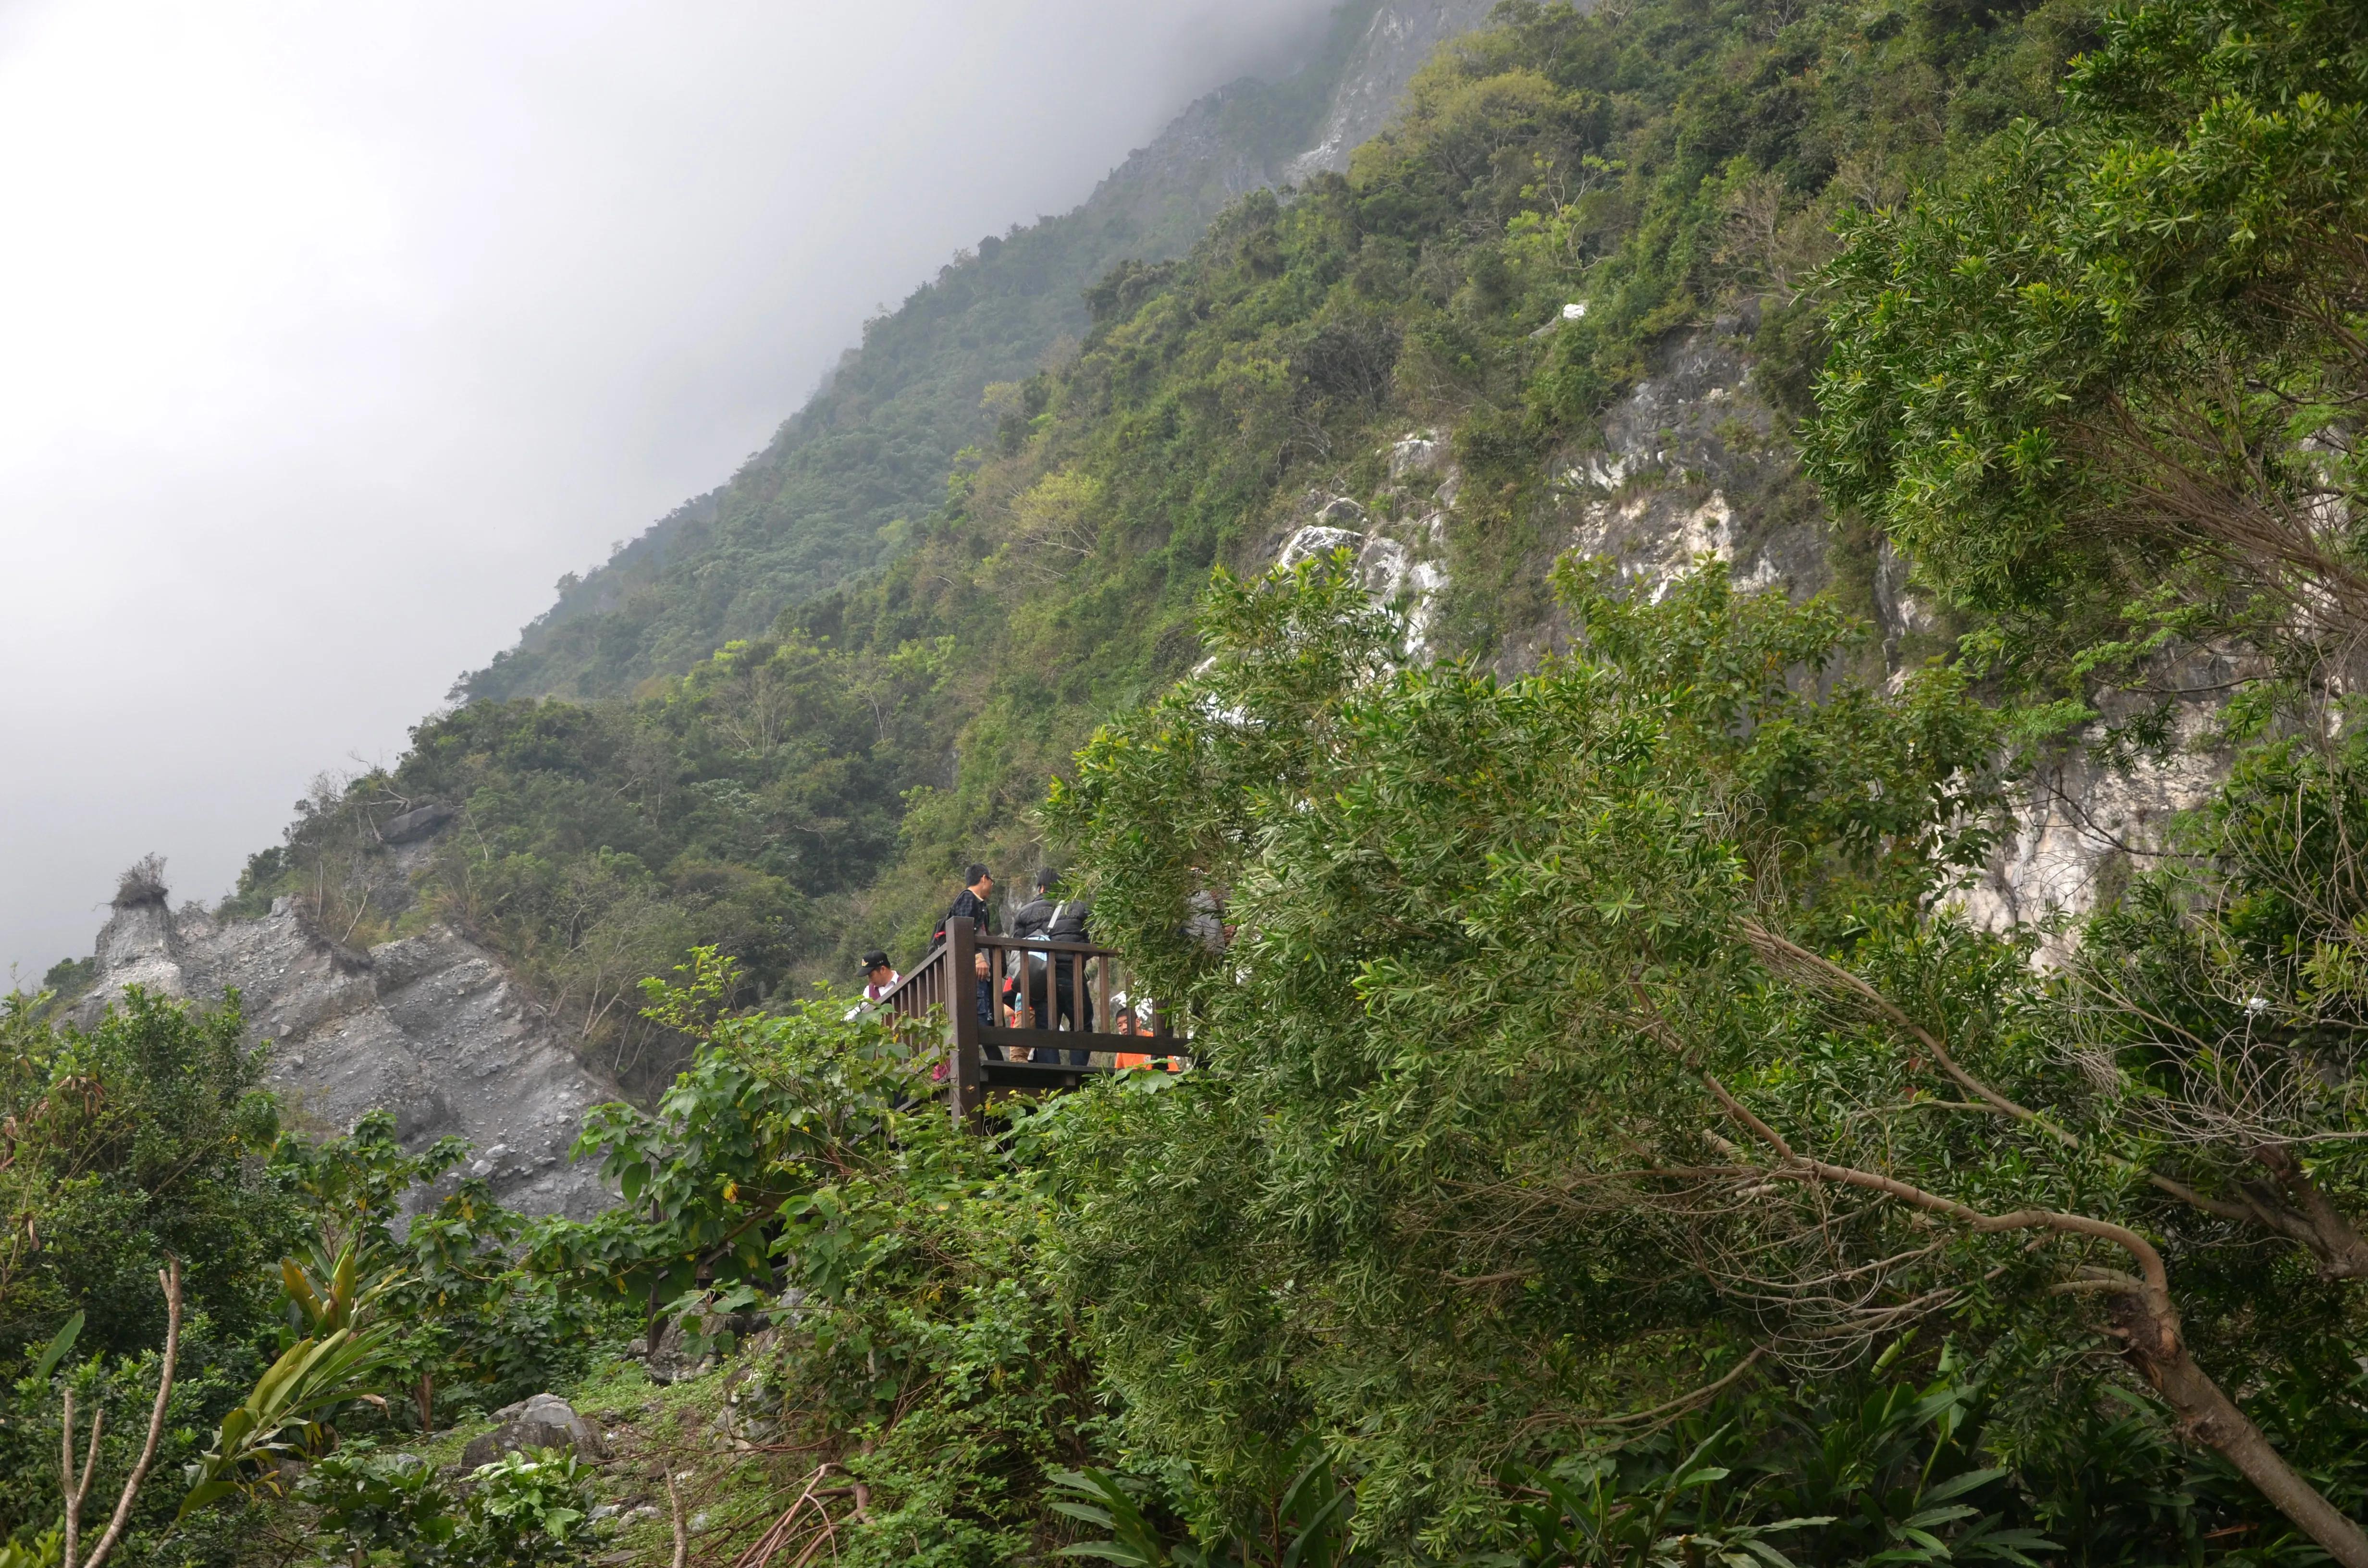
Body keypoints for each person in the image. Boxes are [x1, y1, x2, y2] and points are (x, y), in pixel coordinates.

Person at [934, 863, 996, 946]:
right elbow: (963, 931)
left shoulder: (981, 905)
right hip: (968, 956)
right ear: (984, 879)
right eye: (991, 882)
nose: (992, 886)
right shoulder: (968, 897)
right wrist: (977, 954)